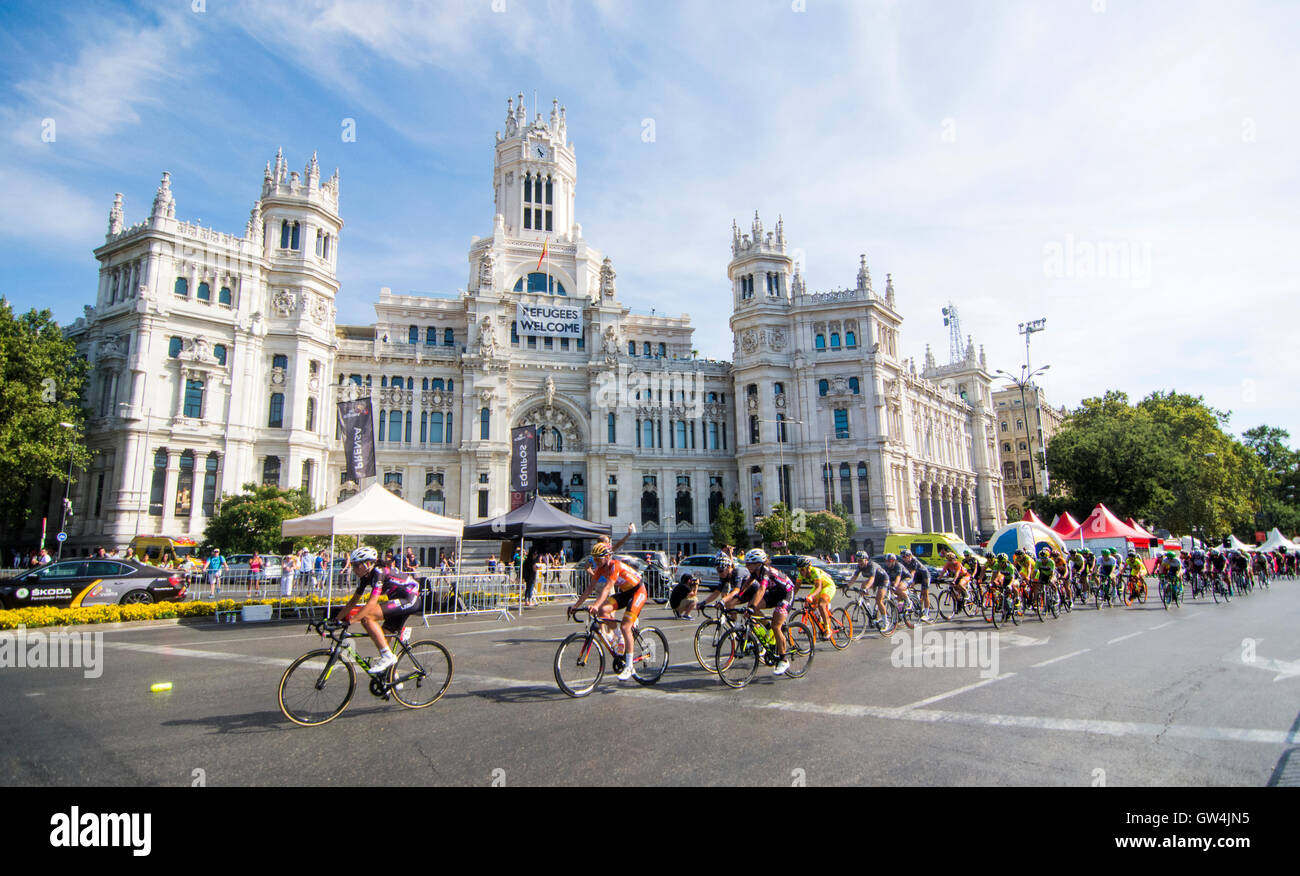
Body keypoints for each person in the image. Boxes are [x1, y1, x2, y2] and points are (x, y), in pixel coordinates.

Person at [335, 546, 421, 676]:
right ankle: (391, 676)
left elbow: (372, 603)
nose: (354, 569)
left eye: (357, 565)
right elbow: (353, 602)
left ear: (368, 563)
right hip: (398, 601)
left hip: (409, 598)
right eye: (352, 566)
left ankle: (388, 658)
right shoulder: (366, 576)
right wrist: (335, 620)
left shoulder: (379, 571)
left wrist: (351, 621)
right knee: (383, 640)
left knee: (367, 617)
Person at [569, 542, 645, 681]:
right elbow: (589, 589)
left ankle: (629, 666)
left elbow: (607, 588)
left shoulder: (615, 565)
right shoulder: (599, 570)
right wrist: (576, 606)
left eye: (599, 559)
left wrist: (596, 605)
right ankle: (618, 639)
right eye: (594, 559)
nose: (596, 562)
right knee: (603, 610)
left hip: (638, 591)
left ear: (608, 556)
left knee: (625, 626)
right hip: (625, 593)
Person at [795, 556, 836, 637]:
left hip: (828, 586)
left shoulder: (815, 572)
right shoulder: (800, 574)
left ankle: (827, 629)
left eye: (802, 569)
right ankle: (821, 618)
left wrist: (811, 595)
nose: (801, 572)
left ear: (808, 568)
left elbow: (819, 587)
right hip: (818, 587)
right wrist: (789, 597)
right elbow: (796, 588)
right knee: (808, 603)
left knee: (821, 605)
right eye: (799, 570)